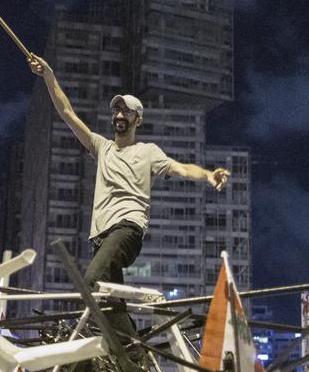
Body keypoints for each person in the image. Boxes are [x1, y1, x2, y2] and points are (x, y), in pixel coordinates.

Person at [28, 54, 230, 289]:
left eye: (127, 112)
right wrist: (49, 76)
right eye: (117, 111)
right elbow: (67, 113)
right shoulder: (101, 147)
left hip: (127, 228)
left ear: (138, 120)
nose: (120, 115)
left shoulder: (148, 152)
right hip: (101, 237)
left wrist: (207, 175)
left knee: (92, 281)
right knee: (107, 301)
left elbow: (182, 169)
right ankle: (123, 327)